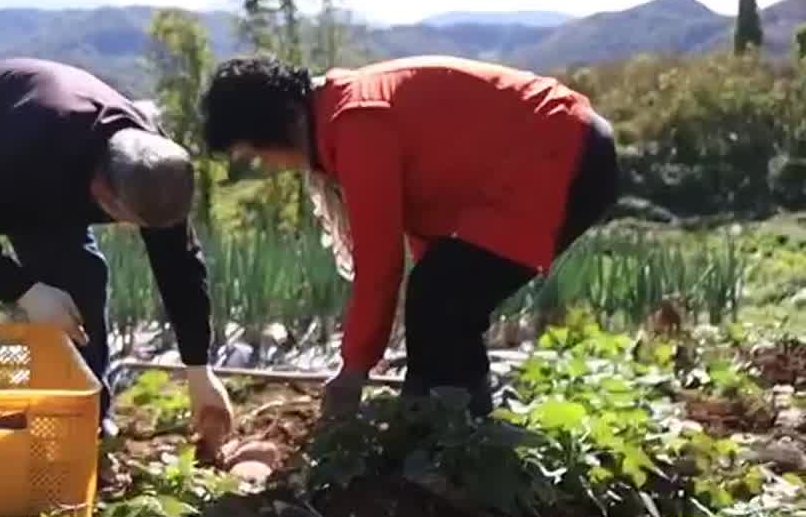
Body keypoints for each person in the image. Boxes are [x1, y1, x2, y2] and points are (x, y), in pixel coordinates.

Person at [198, 54, 620, 419]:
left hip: (564, 152)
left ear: (280, 124)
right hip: (556, 151)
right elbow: (428, 233)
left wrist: (353, 372)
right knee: (441, 296)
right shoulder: (341, 115)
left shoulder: (356, 122)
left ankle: (452, 437)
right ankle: (447, 427)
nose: (269, 165)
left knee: (442, 297)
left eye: (257, 153)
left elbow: (379, 264)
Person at [0, 58, 230, 440]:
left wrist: (198, 368)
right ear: (100, 191)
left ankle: (83, 415)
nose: (133, 232)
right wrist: (25, 291)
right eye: (128, 220)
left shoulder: (156, 165)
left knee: (82, 277)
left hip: (45, 171)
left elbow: (179, 263)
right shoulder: (30, 150)